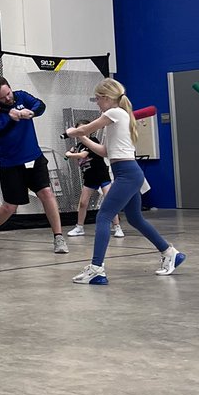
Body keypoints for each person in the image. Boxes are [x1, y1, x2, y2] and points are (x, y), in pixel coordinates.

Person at [65, 78, 184, 285]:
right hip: (126, 173)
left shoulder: (114, 113)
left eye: (98, 99)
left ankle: (97, 269)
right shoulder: (118, 117)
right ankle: (170, 252)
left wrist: (72, 131)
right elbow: (104, 151)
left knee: (104, 216)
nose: (97, 103)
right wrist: (82, 138)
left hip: (128, 174)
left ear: (106, 98)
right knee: (135, 218)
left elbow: (84, 129)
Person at [0, 76, 68, 254]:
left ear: (10, 88)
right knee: (10, 206)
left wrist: (30, 113)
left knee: (47, 193)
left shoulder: (22, 97)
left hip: (34, 157)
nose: (8, 98)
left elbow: (40, 105)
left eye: (8, 93)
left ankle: (58, 237)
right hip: (10, 164)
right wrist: (12, 118)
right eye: (3, 97)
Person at [65, 137, 124, 239]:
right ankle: (79, 227)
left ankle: (117, 227)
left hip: (101, 175)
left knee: (110, 200)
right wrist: (70, 151)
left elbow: (83, 155)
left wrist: (70, 155)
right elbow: (73, 152)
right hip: (89, 177)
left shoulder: (93, 141)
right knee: (83, 203)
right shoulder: (79, 145)